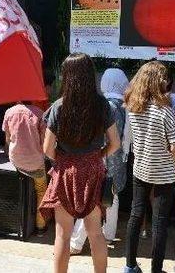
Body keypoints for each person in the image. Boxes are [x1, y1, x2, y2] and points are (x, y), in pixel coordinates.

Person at [40, 53, 121, 273]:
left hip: (65, 171)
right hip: (94, 170)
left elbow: (47, 148)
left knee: (62, 235)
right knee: (95, 233)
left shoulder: (58, 106)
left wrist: (64, 160)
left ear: (67, 76)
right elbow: (115, 143)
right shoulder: (103, 105)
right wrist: (98, 155)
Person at [123, 61, 175, 273]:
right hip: (163, 174)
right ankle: (156, 269)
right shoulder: (165, 112)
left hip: (140, 168)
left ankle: (130, 265)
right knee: (160, 222)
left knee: (135, 215)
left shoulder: (133, 108)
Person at [70, 68, 129, 253]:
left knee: (90, 200)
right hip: (118, 161)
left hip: (101, 159)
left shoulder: (105, 106)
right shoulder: (126, 107)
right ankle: (109, 234)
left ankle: (76, 243)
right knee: (112, 196)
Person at [2, 101, 48, 236]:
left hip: (16, 160)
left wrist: (7, 155)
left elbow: (7, 139)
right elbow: (44, 142)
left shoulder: (9, 112)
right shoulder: (39, 113)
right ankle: (40, 227)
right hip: (35, 163)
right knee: (41, 191)